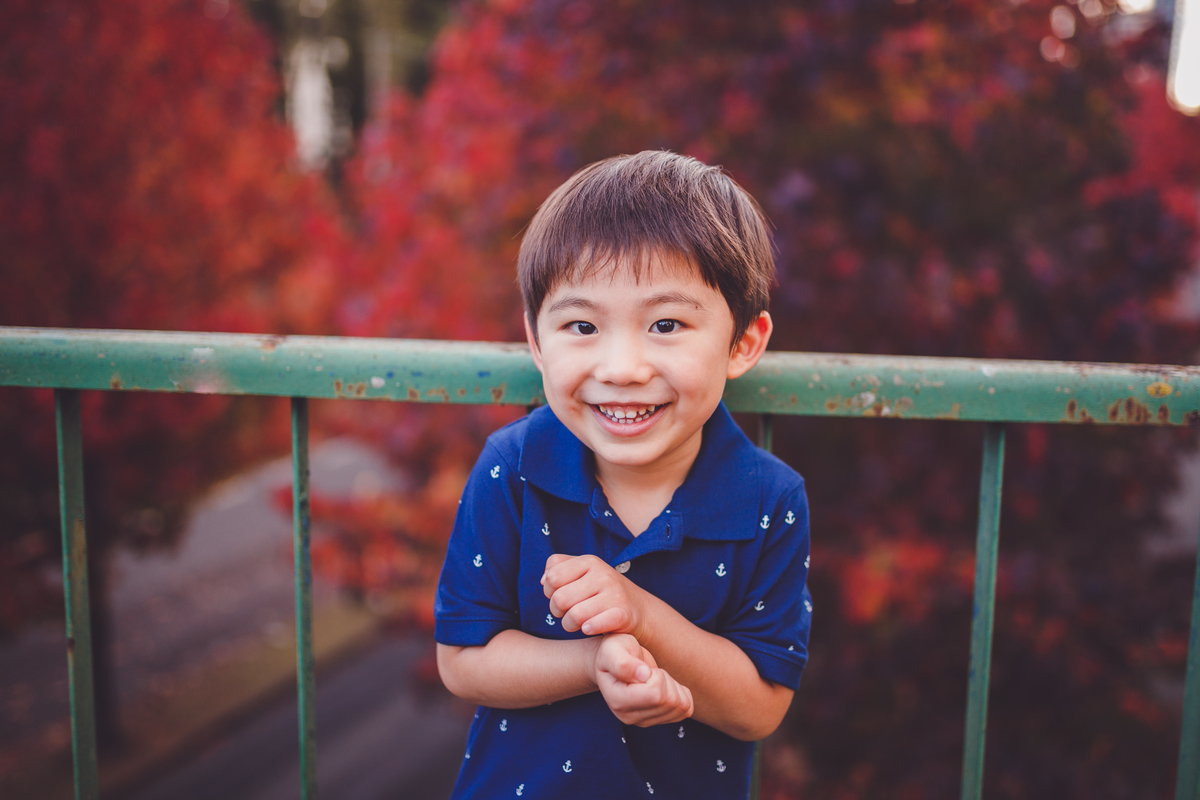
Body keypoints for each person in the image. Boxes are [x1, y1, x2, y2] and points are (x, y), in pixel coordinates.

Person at [434, 150, 812, 800]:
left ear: (743, 343)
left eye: (666, 324)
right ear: (535, 341)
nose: (622, 367)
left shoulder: (769, 499)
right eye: (582, 326)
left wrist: (640, 617)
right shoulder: (513, 467)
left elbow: (760, 706)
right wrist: (593, 659)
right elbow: (463, 661)